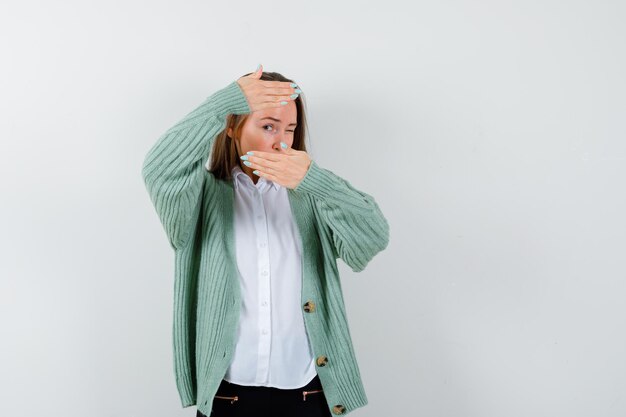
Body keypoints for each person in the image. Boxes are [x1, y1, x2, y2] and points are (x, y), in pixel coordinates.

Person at [141, 64, 390, 417]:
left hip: (309, 395)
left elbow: (373, 237)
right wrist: (223, 102)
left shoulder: (311, 197)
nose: (281, 141)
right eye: (268, 126)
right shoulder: (200, 198)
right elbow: (159, 169)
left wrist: (314, 180)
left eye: (289, 128)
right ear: (232, 127)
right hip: (230, 398)